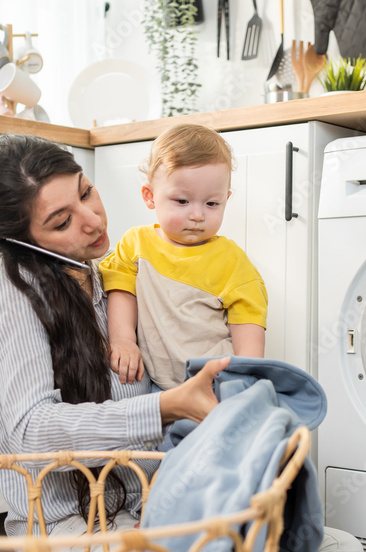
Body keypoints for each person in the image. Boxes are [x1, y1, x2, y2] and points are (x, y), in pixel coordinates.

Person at [0, 133, 363, 552]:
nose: (90, 218)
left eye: (85, 192)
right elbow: (32, 432)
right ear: (23, 241)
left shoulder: (111, 272)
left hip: (148, 513)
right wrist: (168, 405)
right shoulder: (13, 291)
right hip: (74, 530)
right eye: (61, 221)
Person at [99, 123, 267, 389]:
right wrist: (123, 340)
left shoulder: (232, 260)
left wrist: (247, 378)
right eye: (182, 201)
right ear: (150, 196)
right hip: (158, 386)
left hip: (217, 384)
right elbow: (121, 291)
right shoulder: (136, 244)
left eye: (212, 203)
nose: (198, 215)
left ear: (226, 198)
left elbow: (248, 324)